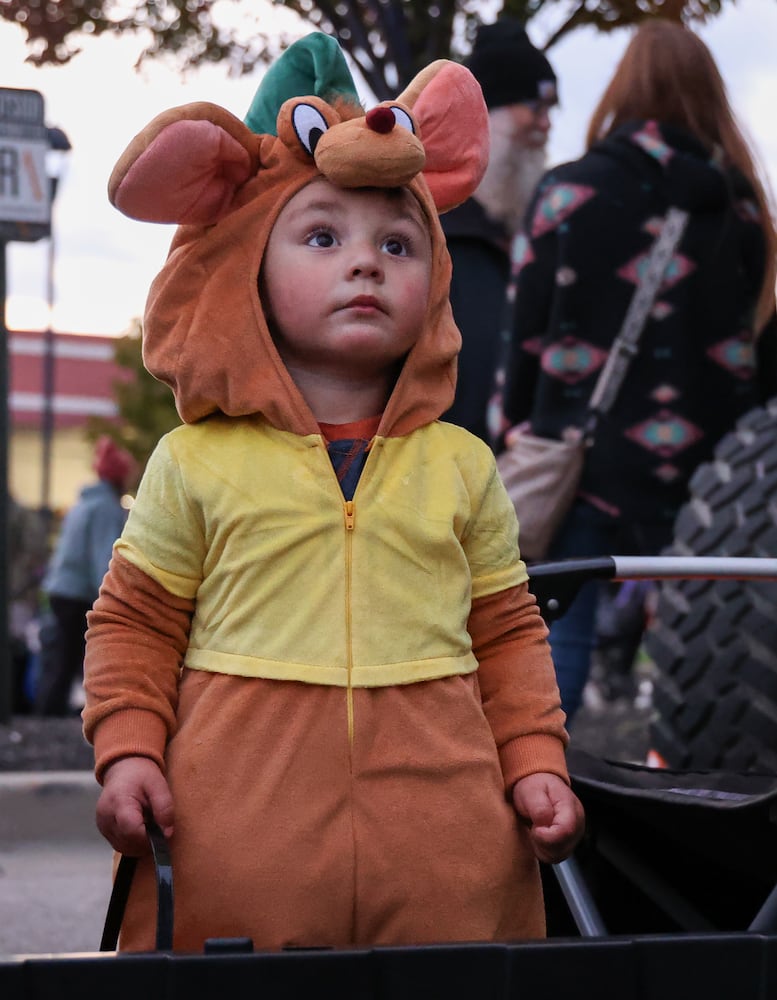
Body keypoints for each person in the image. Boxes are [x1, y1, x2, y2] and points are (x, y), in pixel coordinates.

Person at [82, 33, 583, 953]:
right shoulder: (193, 462)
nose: (366, 262)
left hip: (447, 866)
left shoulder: (461, 464)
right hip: (233, 862)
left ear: (431, 277)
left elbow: (507, 632)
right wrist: (126, 749)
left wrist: (535, 761)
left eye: (398, 241)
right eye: (322, 236)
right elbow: (136, 626)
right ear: (247, 275)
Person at [495, 19, 777, 723]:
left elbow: (522, 335)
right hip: (710, 485)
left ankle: (538, 815)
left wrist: (514, 428)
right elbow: (761, 354)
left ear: (622, 90)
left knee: (557, 648)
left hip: (582, 464)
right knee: (715, 657)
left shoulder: (567, 193)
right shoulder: (743, 211)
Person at [441, 18, 557, 443]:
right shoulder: (431, 235)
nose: (546, 125)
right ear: (487, 117)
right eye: (535, 107)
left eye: (551, 110)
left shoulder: (541, 236)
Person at [36, 436, 135, 716]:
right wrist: (109, 598)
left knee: (62, 658)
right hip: (78, 592)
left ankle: (48, 714)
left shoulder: (82, 503)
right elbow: (103, 557)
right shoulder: (105, 508)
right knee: (81, 658)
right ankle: (58, 717)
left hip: (60, 589)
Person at [8, 494, 48, 713]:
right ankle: (17, 701)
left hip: (17, 592)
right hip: (19, 592)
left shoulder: (20, 516)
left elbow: (33, 555)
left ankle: (16, 701)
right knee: (18, 645)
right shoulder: (23, 516)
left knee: (18, 645)